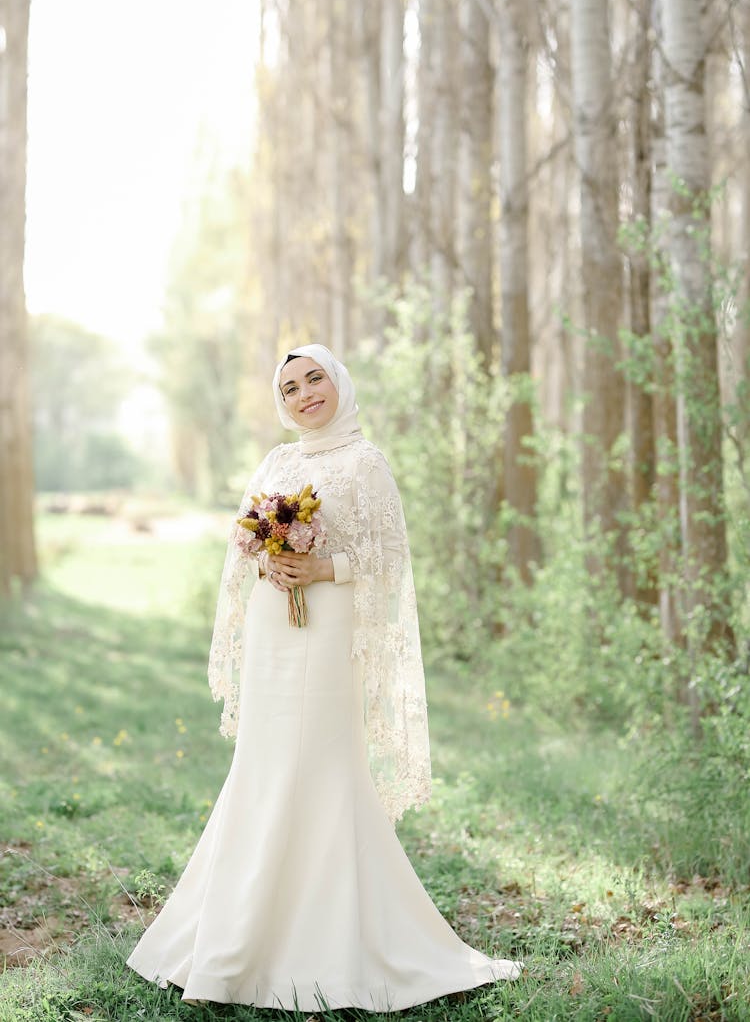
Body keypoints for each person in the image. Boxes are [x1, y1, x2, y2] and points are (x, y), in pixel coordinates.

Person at [126, 344, 522, 1011]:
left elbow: (389, 556)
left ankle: (331, 941)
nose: (304, 393)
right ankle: (234, 938)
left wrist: (321, 568)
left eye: (314, 378)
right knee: (265, 762)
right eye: (289, 388)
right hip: (273, 629)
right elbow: (244, 541)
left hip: (332, 628)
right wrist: (269, 562)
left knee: (325, 765)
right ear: (280, 404)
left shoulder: (366, 462)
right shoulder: (278, 462)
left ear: (337, 380)